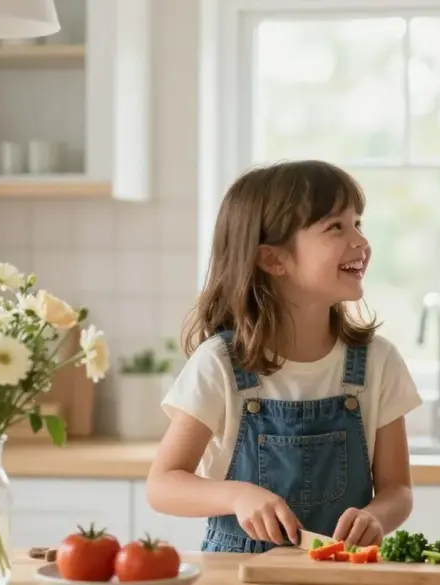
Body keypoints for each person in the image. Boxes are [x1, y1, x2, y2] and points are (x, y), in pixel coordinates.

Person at [146, 160, 423, 553]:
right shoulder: (220, 363)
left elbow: (398, 490)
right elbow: (162, 484)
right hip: (237, 576)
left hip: (342, 575)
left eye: (358, 223)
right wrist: (237, 496)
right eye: (335, 227)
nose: (360, 242)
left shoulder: (379, 362)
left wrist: (376, 516)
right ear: (273, 260)